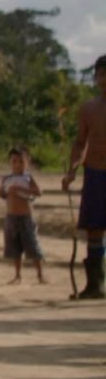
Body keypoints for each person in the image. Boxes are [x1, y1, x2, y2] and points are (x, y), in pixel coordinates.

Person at [63, 54, 106, 299]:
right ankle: (95, 285)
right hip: (95, 172)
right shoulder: (88, 109)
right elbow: (80, 142)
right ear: (96, 78)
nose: (105, 80)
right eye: (102, 75)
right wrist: (72, 170)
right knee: (94, 228)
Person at [0, 147, 45, 285]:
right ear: (10, 163)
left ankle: (40, 275)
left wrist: (21, 189)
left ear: (27, 162)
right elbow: (0, 192)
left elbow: (38, 192)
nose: (17, 165)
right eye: (14, 161)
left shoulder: (28, 178)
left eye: (21, 162)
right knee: (14, 248)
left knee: (33, 246)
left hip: (26, 217)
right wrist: (2, 192)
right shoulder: (7, 179)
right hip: (11, 217)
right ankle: (17, 275)